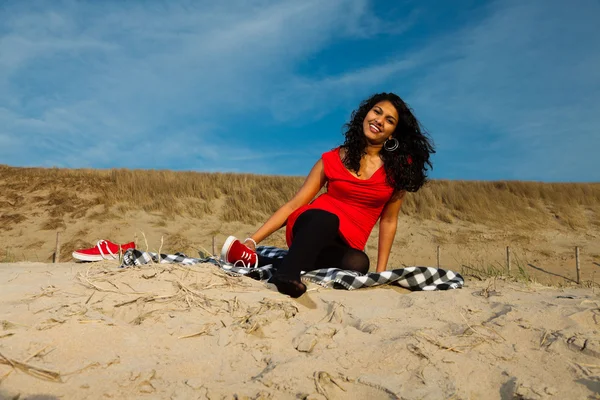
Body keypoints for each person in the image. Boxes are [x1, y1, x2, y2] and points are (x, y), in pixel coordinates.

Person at [221, 92, 434, 298]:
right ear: (365, 114)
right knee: (327, 219)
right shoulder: (332, 158)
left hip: (345, 243)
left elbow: (388, 220)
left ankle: (254, 260)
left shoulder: (398, 171)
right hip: (312, 224)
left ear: (393, 133)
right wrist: (253, 239)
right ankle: (285, 275)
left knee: (358, 263)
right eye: (376, 112)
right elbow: (295, 204)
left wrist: (379, 274)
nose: (379, 120)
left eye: (389, 120)